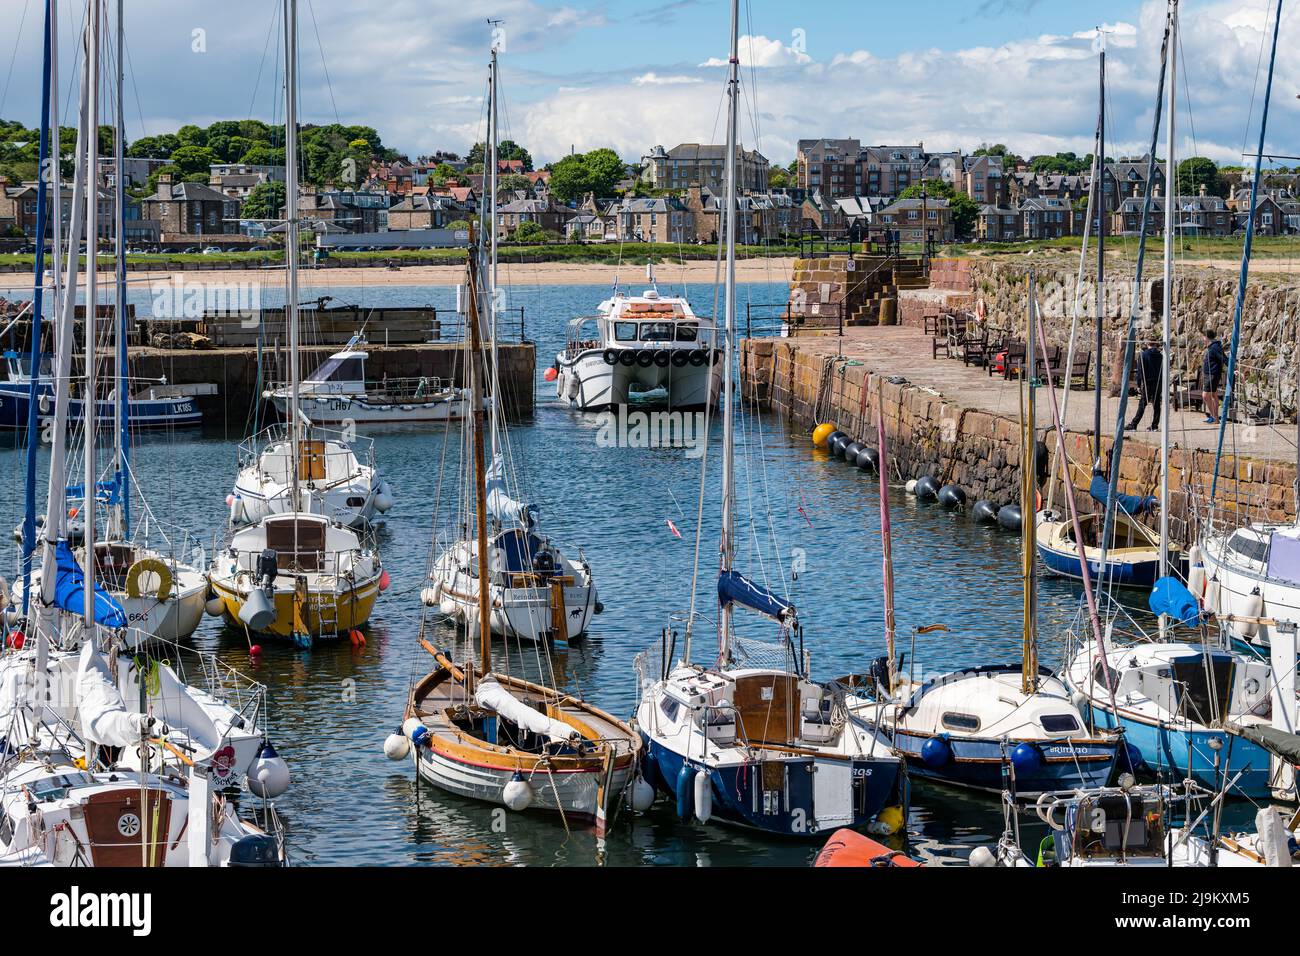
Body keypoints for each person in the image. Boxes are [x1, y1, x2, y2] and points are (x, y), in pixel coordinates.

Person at [1127, 340, 1163, 431]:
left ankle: (1134, 424)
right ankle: (1155, 426)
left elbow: (1140, 372)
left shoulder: (1143, 355)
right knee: (1157, 405)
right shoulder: (1161, 356)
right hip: (1158, 383)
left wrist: (1139, 384)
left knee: (1142, 404)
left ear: (1147, 344)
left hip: (1147, 383)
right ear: (1156, 344)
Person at [1202, 328, 1227, 424]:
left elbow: (1223, 358)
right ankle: (1215, 418)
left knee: (1205, 396)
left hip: (1212, 374)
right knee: (1213, 395)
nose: (1203, 340)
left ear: (1207, 337)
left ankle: (1215, 417)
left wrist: (1233, 369)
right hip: (1209, 374)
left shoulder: (1215, 347)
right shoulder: (1212, 346)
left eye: (1204, 337)